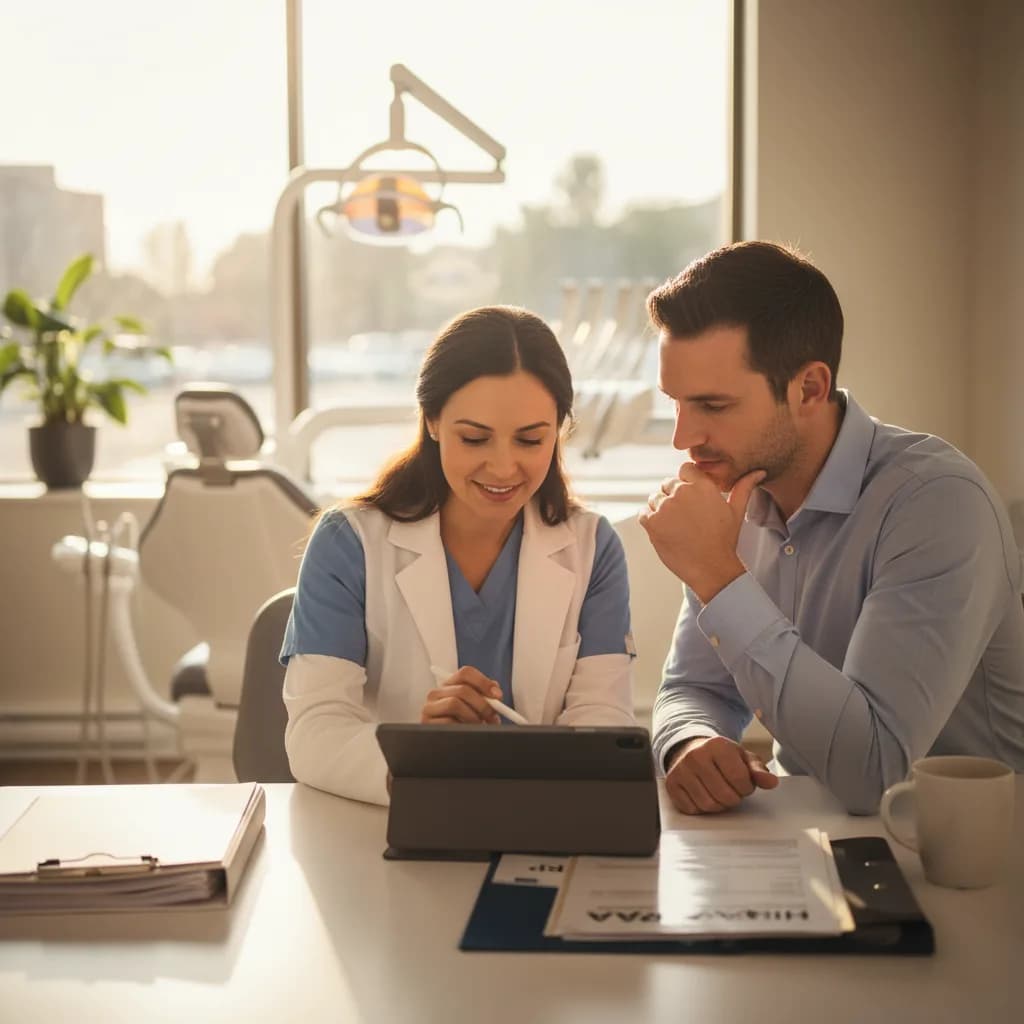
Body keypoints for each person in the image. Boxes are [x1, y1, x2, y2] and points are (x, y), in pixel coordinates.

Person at [640, 241, 1024, 816]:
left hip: (958, 854)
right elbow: (692, 689)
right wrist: (690, 741)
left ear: (809, 389)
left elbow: (875, 774)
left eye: (713, 406)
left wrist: (716, 576)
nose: (683, 438)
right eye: (676, 403)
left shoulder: (938, 503)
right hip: (805, 835)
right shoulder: (738, 488)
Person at [281, 306, 636, 804]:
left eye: (531, 439)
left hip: (539, 821)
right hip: (387, 826)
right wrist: (423, 760)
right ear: (431, 421)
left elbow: (603, 723)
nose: (504, 466)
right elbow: (314, 733)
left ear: (559, 429)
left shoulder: (592, 548)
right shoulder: (349, 544)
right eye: (474, 438)